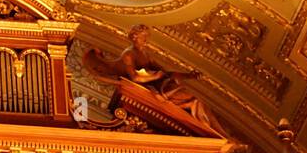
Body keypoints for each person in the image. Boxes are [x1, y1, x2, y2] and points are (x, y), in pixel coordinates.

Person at [83, 24, 213, 125]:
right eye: (143, 37)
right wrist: (155, 76)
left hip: (159, 86)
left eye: (146, 37)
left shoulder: (145, 54)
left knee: (195, 100)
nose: (146, 40)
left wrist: (190, 76)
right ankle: (199, 121)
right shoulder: (128, 54)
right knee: (193, 101)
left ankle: (208, 126)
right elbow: (134, 77)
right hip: (151, 88)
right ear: (135, 37)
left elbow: (167, 73)